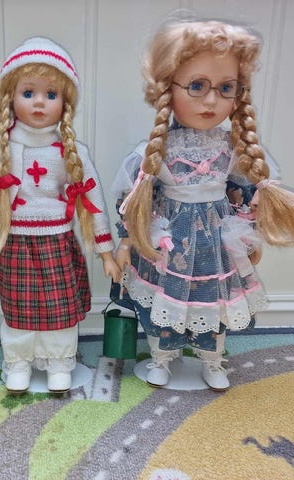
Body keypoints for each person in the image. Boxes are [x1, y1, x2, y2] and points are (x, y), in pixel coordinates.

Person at [112, 19, 294, 391]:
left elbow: (248, 190)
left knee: (216, 303)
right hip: (170, 244)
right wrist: (126, 242)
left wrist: (252, 229)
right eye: (197, 86)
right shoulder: (155, 151)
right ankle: (162, 358)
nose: (211, 101)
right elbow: (133, 200)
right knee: (166, 302)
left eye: (225, 88)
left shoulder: (232, 148)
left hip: (217, 245)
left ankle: (212, 359)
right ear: (167, 88)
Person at [0, 37, 121, 394]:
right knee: (17, 308)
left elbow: (92, 199)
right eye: (28, 92)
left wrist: (106, 252)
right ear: (10, 97)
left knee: (59, 310)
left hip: (57, 242)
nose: (39, 102)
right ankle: (18, 361)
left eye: (51, 94)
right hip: (16, 241)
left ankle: (59, 361)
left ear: (65, 103)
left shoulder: (70, 151)